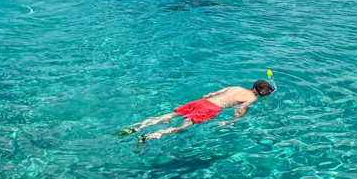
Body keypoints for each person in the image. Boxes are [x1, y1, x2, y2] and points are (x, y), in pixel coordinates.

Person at [115, 78, 276, 143]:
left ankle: (136, 127)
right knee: (181, 128)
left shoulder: (236, 87)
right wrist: (231, 123)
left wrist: (202, 101)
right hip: (211, 108)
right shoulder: (252, 98)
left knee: (171, 115)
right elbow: (241, 109)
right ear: (261, 93)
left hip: (203, 101)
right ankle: (152, 135)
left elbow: (211, 94)